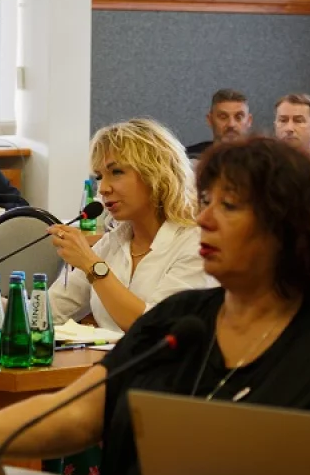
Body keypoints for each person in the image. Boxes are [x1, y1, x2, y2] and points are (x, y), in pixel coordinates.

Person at [0, 137, 310, 475]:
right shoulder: (179, 319)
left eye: (229, 206)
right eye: (205, 201)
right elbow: (77, 412)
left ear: (287, 227)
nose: (204, 219)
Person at [45, 119, 214, 332]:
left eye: (116, 172)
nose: (103, 188)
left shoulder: (197, 245)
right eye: (99, 177)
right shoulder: (113, 243)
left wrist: (92, 266)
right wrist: (4, 303)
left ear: (155, 174)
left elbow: (154, 329)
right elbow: (49, 313)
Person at [185, 89, 253, 158]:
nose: (231, 124)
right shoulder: (186, 159)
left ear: (249, 121)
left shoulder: (258, 159)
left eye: (238, 117)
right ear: (210, 120)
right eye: (223, 117)